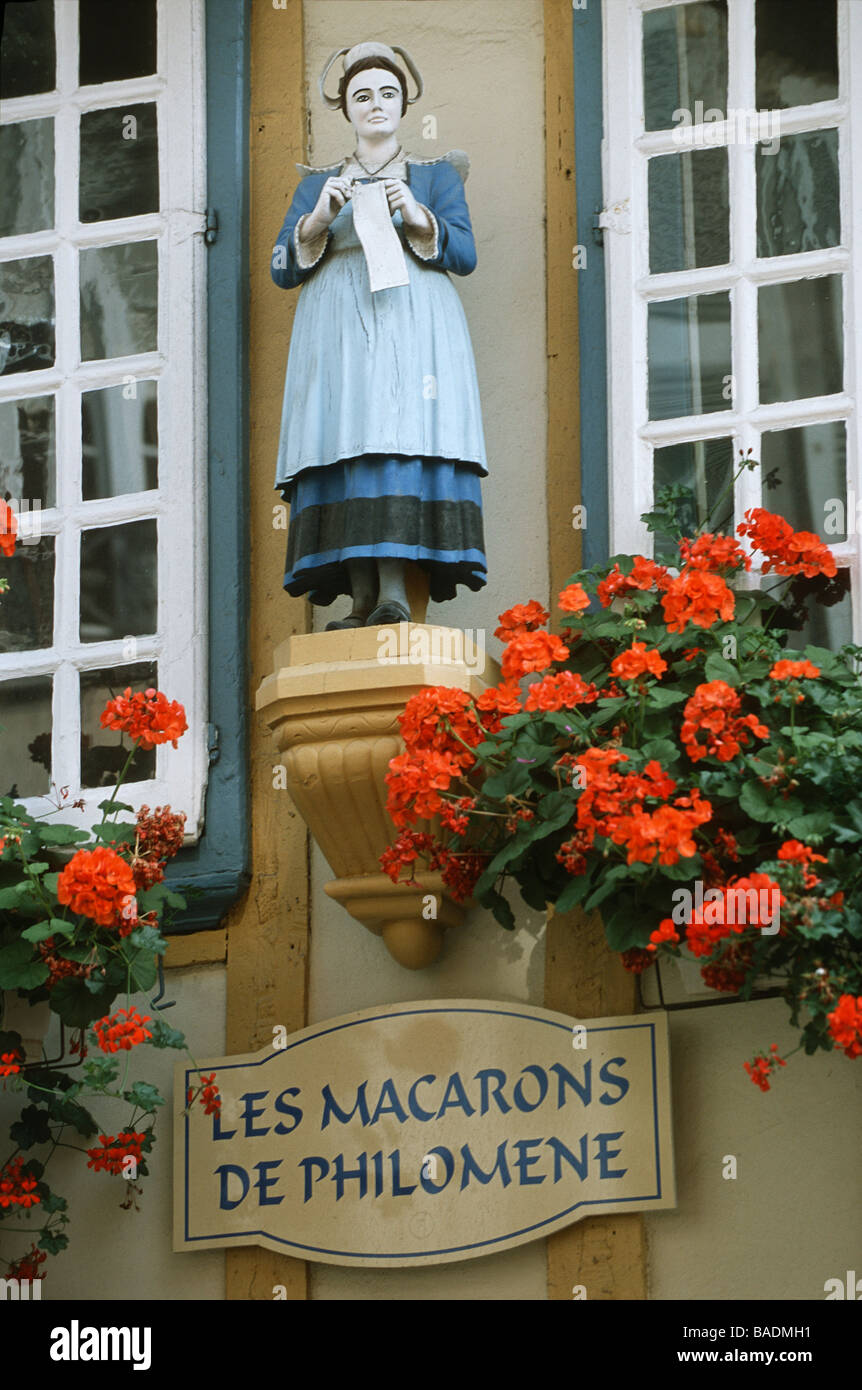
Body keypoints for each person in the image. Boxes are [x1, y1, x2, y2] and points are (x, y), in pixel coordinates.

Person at [271, 40, 488, 629]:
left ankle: (394, 592)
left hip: (410, 325)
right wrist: (317, 218)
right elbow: (280, 268)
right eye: (361, 96)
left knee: (394, 439)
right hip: (335, 328)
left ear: (403, 104)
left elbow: (465, 254)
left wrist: (418, 213)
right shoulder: (318, 182)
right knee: (343, 441)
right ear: (346, 109)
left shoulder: (436, 174)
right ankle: (359, 599)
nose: (375, 105)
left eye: (387, 94)